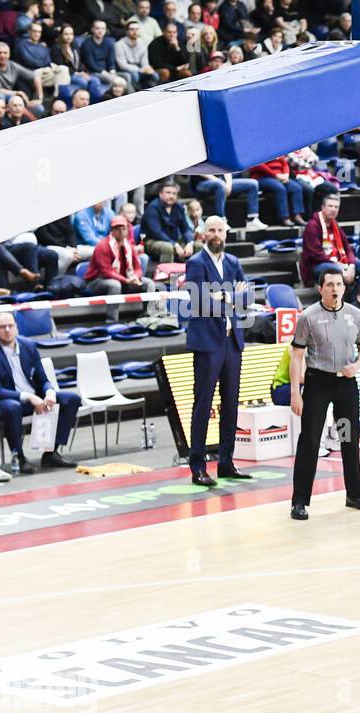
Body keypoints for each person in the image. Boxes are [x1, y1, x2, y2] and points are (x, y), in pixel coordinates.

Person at [288, 270, 360, 520]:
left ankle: (354, 495)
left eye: (339, 284)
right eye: (329, 284)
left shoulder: (355, 315)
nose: (335, 288)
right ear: (320, 288)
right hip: (318, 383)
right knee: (311, 440)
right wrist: (295, 392)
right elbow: (296, 355)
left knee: (348, 437)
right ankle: (299, 501)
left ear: (344, 288)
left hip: (346, 383)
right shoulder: (308, 317)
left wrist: (356, 366)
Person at [183, 215, 253, 487]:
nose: (216, 234)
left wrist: (224, 296)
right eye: (211, 230)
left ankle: (226, 461)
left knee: (231, 404)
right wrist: (231, 297)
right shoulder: (195, 263)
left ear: (226, 233)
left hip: (231, 341)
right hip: (207, 342)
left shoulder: (234, 263)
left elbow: (247, 298)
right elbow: (199, 301)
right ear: (203, 234)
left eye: (220, 230)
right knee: (203, 404)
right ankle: (198, 466)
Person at [0, 308, 81, 473]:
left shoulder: (28, 346)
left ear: (16, 327)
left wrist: (49, 392)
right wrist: (29, 397)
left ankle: (50, 454)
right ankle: (18, 458)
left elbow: (43, 379)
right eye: (2, 327)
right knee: (12, 407)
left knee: (71, 398)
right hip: (8, 401)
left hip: (35, 398)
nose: (7, 330)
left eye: (10, 325)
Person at [301, 193, 360, 296]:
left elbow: (347, 248)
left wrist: (351, 266)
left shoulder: (335, 225)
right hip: (318, 265)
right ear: (322, 207)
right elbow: (316, 254)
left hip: (341, 263)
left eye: (336, 207)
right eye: (330, 206)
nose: (333, 209)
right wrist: (340, 266)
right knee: (336, 270)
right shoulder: (312, 226)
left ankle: (355, 299)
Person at [85, 214, 157, 323]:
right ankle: (111, 321)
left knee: (149, 283)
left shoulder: (129, 245)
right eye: (117, 229)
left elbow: (138, 268)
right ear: (112, 231)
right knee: (115, 285)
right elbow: (106, 272)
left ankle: (149, 317)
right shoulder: (103, 246)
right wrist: (126, 280)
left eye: (123, 229)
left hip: (124, 280)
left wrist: (134, 277)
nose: (121, 232)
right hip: (97, 281)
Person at [142, 181, 199, 264]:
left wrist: (189, 243)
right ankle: (165, 275)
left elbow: (185, 228)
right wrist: (175, 244)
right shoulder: (152, 208)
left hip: (173, 241)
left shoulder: (178, 207)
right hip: (152, 241)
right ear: (160, 194)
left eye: (174, 193)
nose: (171, 196)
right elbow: (156, 233)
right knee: (168, 247)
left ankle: (196, 274)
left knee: (198, 246)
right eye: (168, 193)